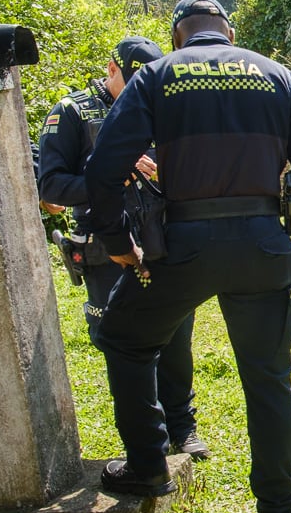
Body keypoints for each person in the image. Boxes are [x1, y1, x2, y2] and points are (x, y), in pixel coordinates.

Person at [84, 0, 291, 513]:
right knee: (268, 378)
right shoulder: (277, 76)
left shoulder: (156, 76)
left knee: (125, 338)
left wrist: (116, 242)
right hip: (262, 244)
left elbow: (103, 168)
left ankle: (149, 465)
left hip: (182, 245)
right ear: (228, 31)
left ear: (177, 37)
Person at [38, 36, 208, 461]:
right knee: (125, 346)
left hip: (162, 242)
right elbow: (52, 188)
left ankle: (182, 428)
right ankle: (145, 439)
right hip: (106, 249)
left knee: (176, 337)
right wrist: (115, 172)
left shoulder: (162, 106)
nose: (139, 93)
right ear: (112, 70)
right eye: (131, 83)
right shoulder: (74, 111)